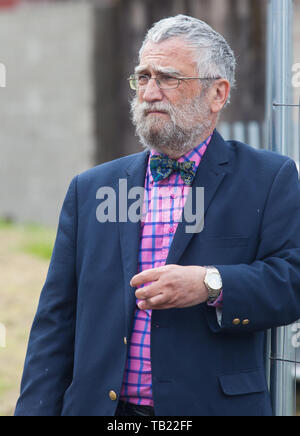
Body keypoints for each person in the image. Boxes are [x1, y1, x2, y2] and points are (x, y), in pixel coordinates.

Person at [15, 15, 300, 417]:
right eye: (143, 76)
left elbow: (292, 280)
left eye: (167, 78)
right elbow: (55, 323)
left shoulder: (269, 178)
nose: (149, 92)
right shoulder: (91, 188)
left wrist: (210, 283)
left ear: (218, 93)